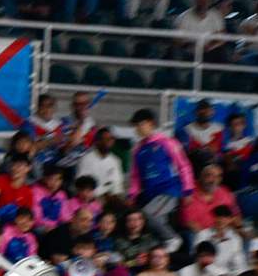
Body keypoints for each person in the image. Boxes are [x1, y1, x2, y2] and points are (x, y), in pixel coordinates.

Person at [129, 109, 196, 257]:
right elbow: (135, 176)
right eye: (136, 126)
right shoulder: (138, 150)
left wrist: (188, 190)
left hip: (168, 191)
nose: (137, 129)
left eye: (140, 125)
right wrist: (132, 195)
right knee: (154, 226)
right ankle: (160, 253)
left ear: (151, 124)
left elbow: (183, 165)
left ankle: (172, 238)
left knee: (144, 216)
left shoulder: (167, 143)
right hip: (150, 194)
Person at [76, 128, 125, 199]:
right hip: (92, 199)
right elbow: (82, 186)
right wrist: (104, 190)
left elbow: (118, 185)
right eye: (107, 139)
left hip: (112, 200)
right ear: (97, 141)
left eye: (111, 139)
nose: (110, 142)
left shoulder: (115, 160)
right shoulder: (86, 159)